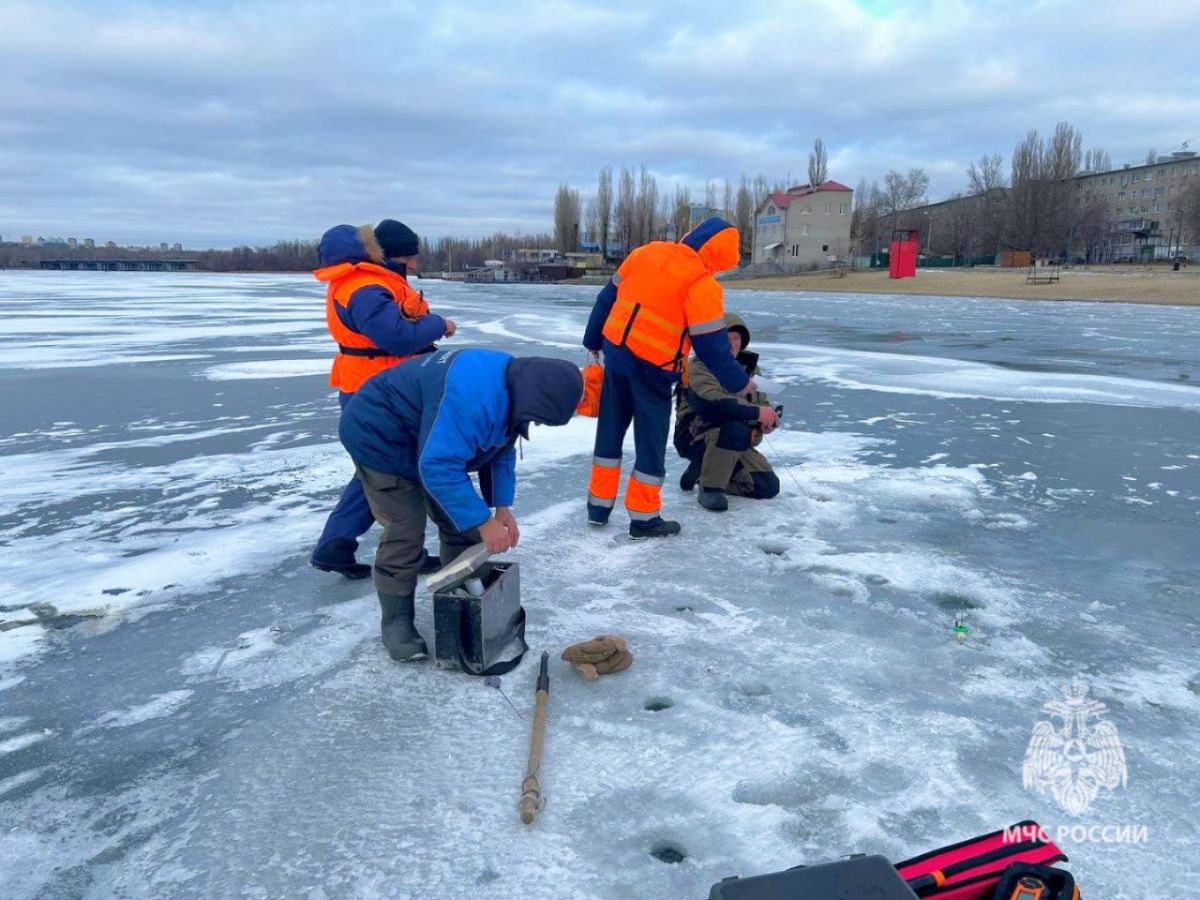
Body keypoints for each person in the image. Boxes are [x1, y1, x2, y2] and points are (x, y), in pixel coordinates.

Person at [338, 348, 583, 661]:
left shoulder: (516, 387)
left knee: (460, 524)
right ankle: (397, 624)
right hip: (378, 436)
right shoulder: (472, 399)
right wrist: (483, 521)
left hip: (425, 437)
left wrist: (501, 507)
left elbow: (502, 446)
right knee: (405, 531)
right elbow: (437, 466)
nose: (535, 424)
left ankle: (455, 603)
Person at [581, 217, 776, 538]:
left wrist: (592, 341)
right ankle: (644, 519)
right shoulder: (702, 284)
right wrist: (741, 384)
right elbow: (712, 346)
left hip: (616, 356)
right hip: (653, 372)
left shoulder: (646, 252)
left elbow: (606, 298)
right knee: (650, 446)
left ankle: (598, 507)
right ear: (720, 255)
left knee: (609, 436)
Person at [309, 219, 456, 579]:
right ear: (389, 256)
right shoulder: (366, 288)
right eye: (410, 258)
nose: (414, 266)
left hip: (374, 388)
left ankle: (338, 543)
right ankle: (385, 547)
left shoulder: (363, 284)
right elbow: (396, 338)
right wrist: (438, 325)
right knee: (394, 471)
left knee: (379, 470)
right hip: (380, 394)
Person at [674, 313, 781, 511]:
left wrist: (768, 422)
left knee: (767, 486)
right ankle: (710, 489)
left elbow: (763, 403)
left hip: (737, 442)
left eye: (736, 338)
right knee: (735, 427)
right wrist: (757, 413)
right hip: (696, 436)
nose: (732, 343)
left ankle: (700, 473)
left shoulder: (751, 370)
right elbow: (712, 405)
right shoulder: (700, 366)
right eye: (726, 338)